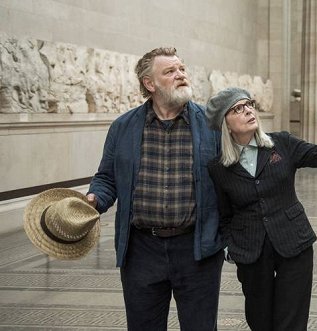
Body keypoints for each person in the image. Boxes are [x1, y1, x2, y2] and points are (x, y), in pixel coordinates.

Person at [86, 47, 223, 330]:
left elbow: (234, 176)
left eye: (182, 69)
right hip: (141, 251)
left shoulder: (212, 124)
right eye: (170, 71)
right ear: (150, 84)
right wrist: (93, 199)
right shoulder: (123, 127)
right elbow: (107, 178)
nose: (181, 75)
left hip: (196, 249)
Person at [206, 74, 317, 330]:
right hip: (251, 251)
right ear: (225, 124)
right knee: (260, 320)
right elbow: (222, 212)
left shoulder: (281, 143)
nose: (248, 110)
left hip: (293, 242)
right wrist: (229, 247)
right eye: (238, 109)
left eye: (249, 104)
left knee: (291, 322)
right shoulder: (218, 168)